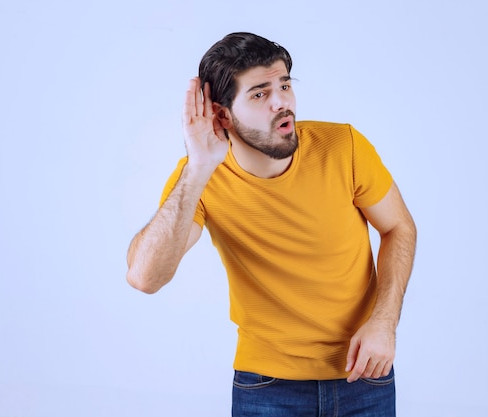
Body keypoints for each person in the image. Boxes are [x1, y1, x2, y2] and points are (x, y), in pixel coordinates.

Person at [126, 32, 416, 416]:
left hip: (364, 374)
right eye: (260, 94)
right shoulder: (199, 178)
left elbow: (399, 227)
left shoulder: (343, 146)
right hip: (266, 387)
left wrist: (384, 323)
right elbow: (145, 277)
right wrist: (198, 167)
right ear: (222, 115)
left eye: (284, 85)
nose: (282, 102)